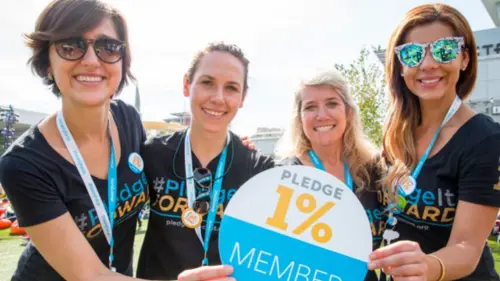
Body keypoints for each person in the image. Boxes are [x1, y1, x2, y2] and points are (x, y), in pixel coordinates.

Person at [0, 1, 229, 281]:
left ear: (122, 62)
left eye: (108, 47)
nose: (91, 60)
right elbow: (89, 275)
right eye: (71, 46)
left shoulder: (128, 120)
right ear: (47, 62)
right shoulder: (24, 164)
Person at [368, 3, 500, 281]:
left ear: (464, 59)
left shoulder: (486, 139)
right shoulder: (395, 131)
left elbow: (468, 247)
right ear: (400, 66)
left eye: (444, 50)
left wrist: (427, 266)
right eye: (413, 54)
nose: (428, 64)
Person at [136, 42, 275, 280]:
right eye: (207, 82)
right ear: (187, 85)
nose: (218, 98)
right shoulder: (151, 154)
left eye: (231, 88)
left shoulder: (260, 169)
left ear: (242, 97)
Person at [274, 68, 426, 281]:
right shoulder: (283, 176)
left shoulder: (375, 171)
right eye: (310, 107)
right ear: (299, 119)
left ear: (348, 112)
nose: (322, 115)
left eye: (332, 103)